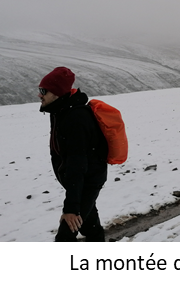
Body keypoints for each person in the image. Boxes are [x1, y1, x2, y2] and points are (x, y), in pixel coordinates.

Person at [39, 67, 108, 242]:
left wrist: (71, 208)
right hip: (79, 180)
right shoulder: (59, 111)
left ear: (57, 93)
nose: (39, 95)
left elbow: (77, 164)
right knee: (90, 226)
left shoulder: (75, 117)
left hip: (87, 180)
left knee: (66, 233)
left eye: (43, 91)